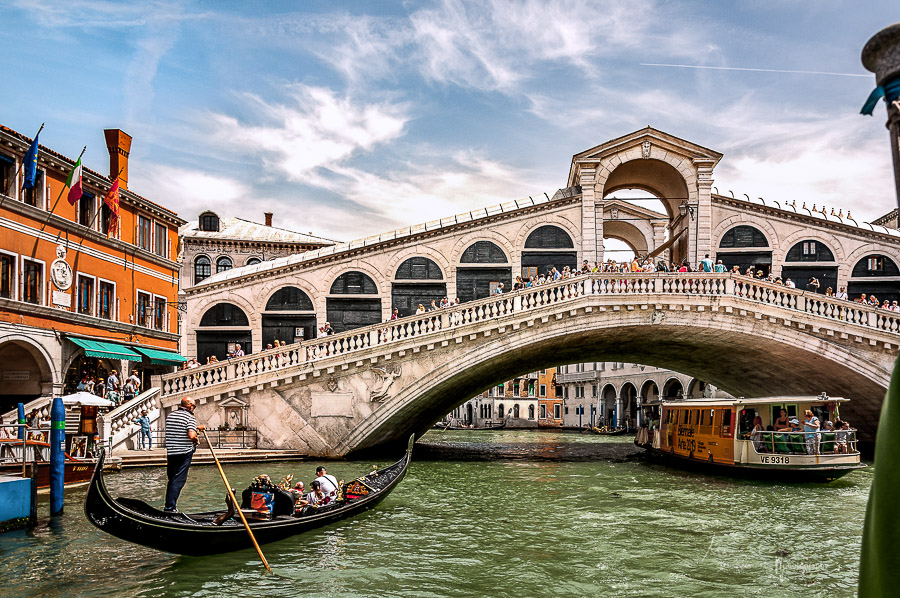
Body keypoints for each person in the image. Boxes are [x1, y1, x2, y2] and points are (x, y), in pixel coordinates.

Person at [164, 397, 205, 513]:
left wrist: (197, 428)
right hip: (184, 452)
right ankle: (170, 508)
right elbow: (191, 435)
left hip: (171, 452)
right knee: (178, 480)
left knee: (172, 479)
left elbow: (180, 428)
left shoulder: (171, 416)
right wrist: (196, 440)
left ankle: (169, 506)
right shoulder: (190, 417)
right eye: (194, 407)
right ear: (190, 406)